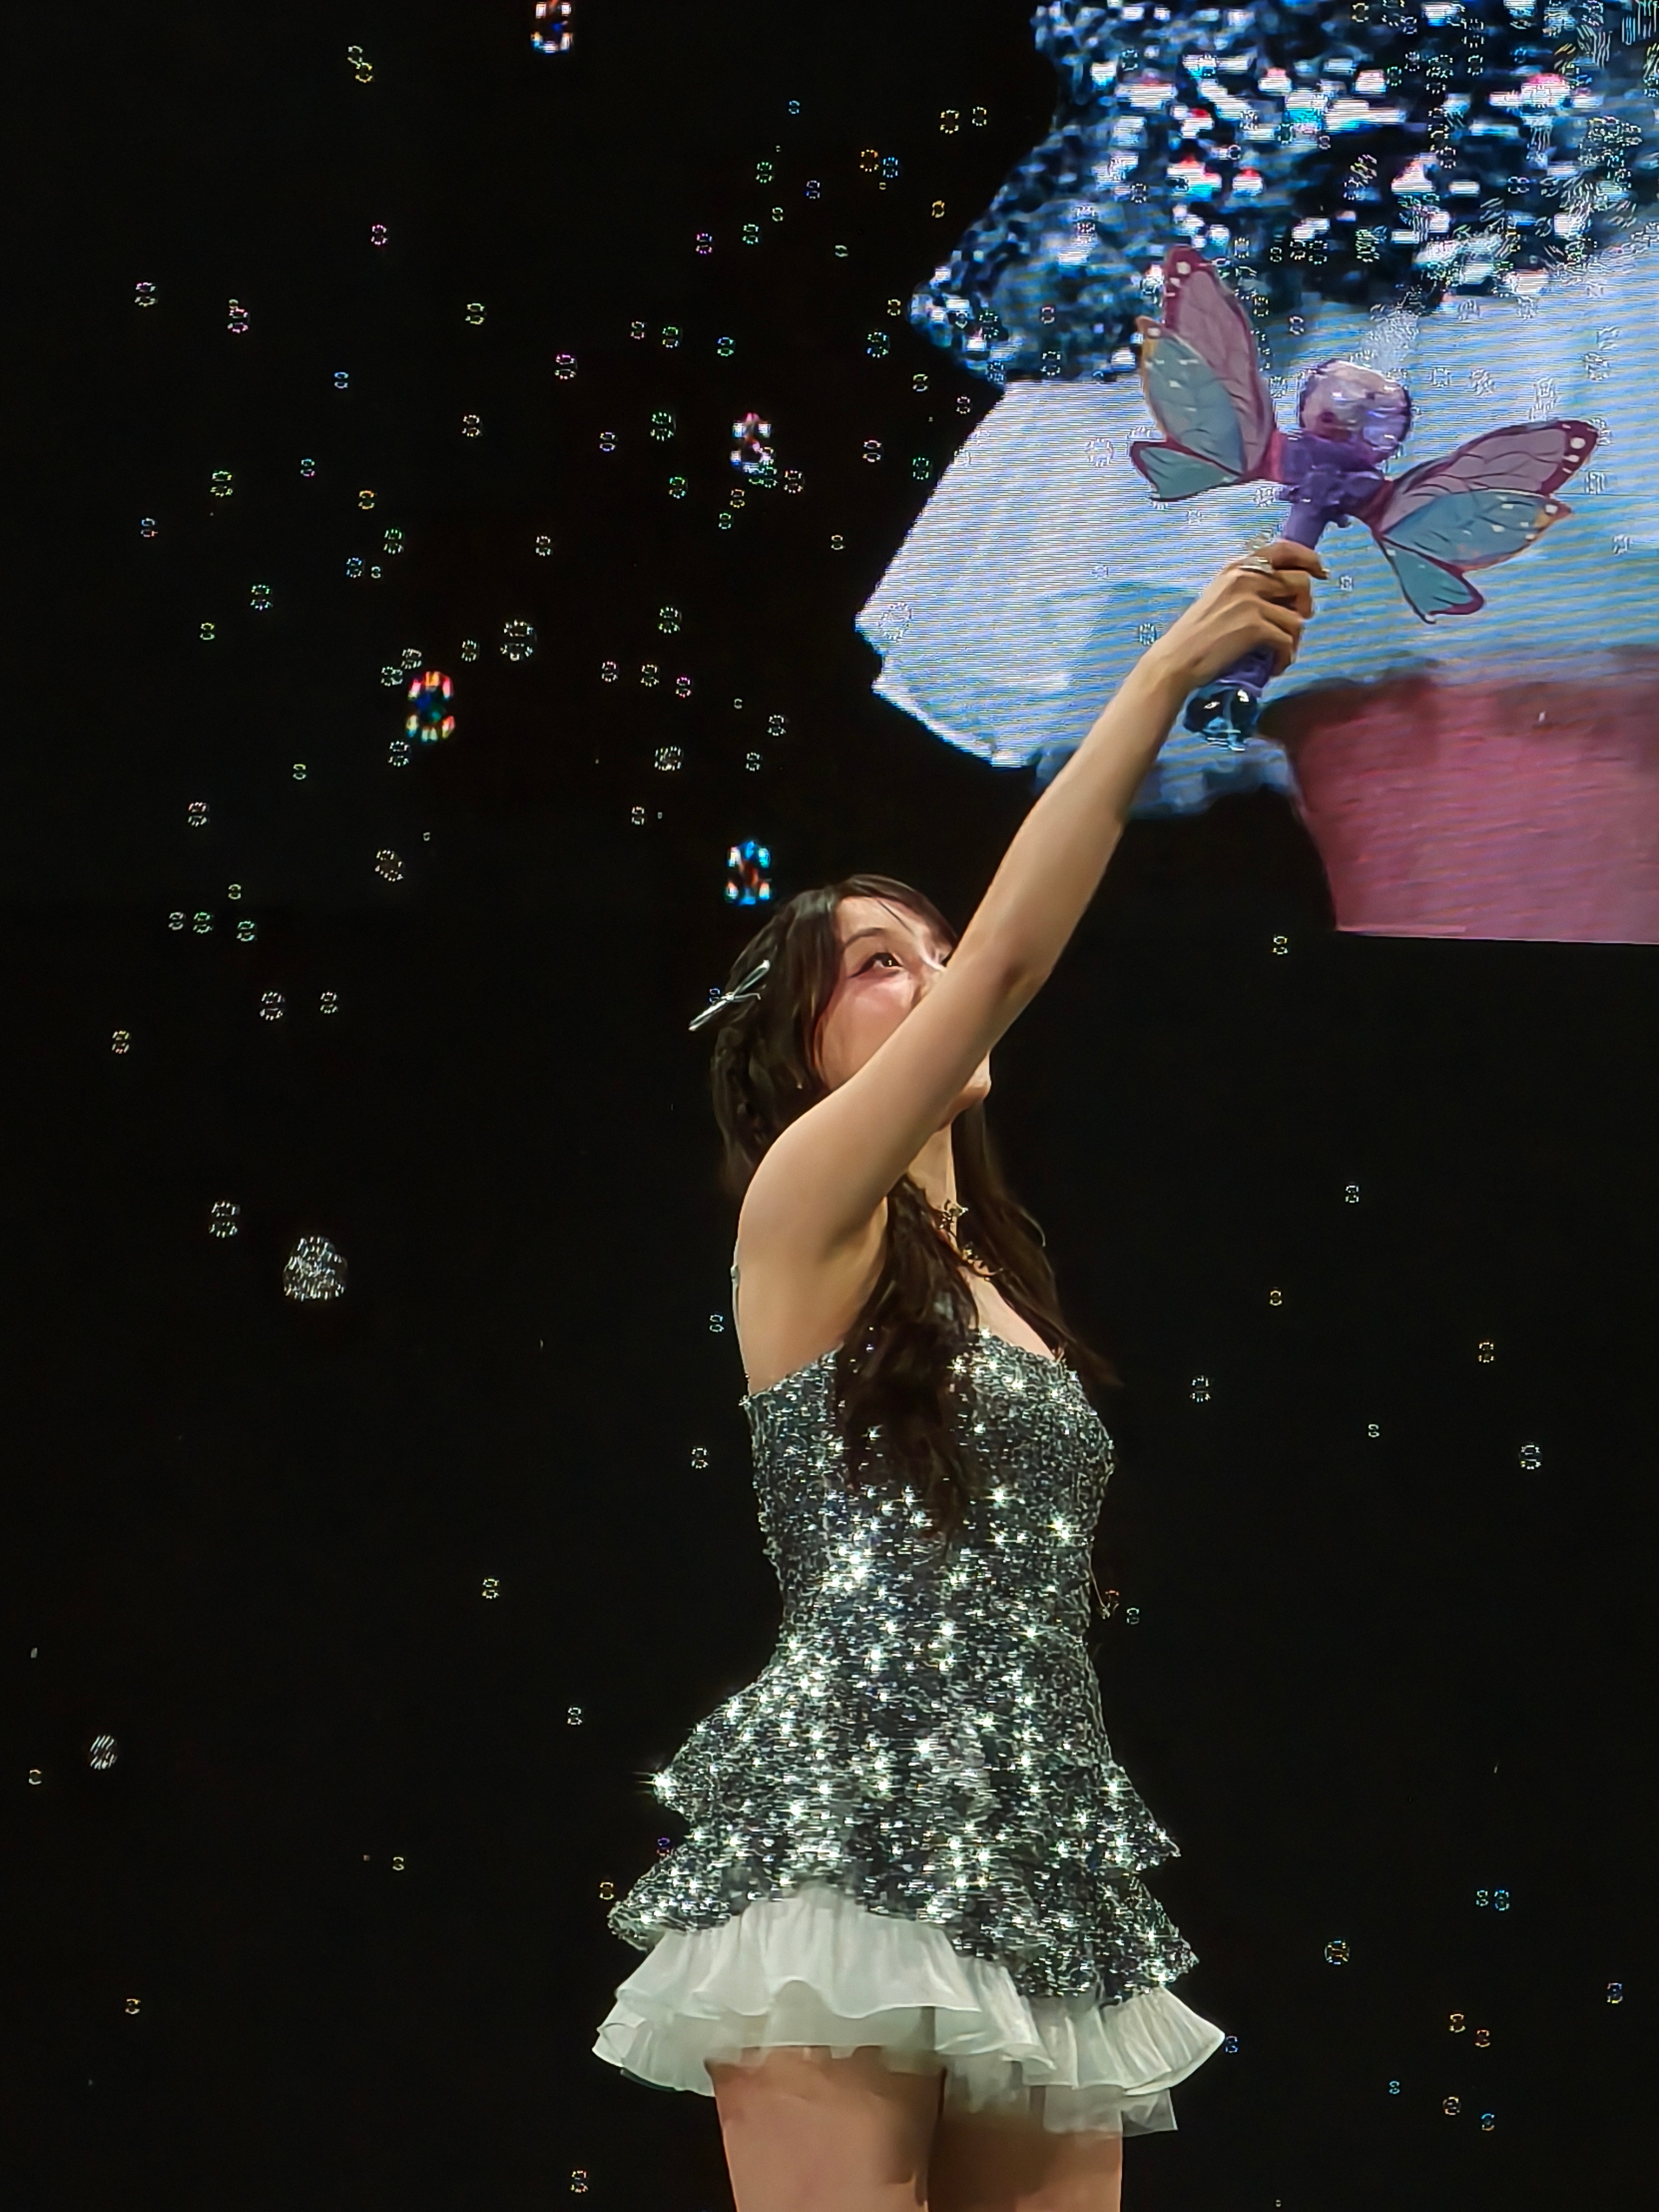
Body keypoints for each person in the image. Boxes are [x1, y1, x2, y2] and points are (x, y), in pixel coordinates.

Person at [594, 541, 1324, 2211]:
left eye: (928, 951)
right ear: (804, 1049)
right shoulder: (802, 1218)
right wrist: (1158, 677)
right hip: (846, 1824)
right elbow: (1012, 956)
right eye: (875, 964)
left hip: (1041, 1840)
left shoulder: (999, 1280)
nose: (927, 975)